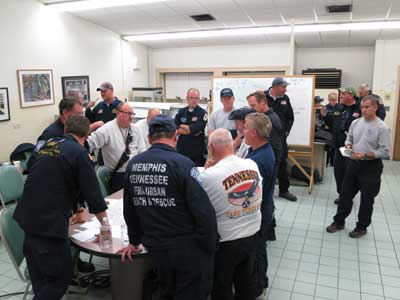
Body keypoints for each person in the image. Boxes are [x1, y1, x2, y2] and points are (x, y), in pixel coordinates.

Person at [119, 115, 218, 300]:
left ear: (149, 139)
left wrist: (133, 241)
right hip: (185, 248)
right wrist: (210, 245)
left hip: (155, 248)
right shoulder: (183, 164)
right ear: (175, 136)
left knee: (166, 291)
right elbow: (203, 211)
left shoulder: (133, 165)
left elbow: (129, 208)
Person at [13, 115, 108, 300]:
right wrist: (106, 227)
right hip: (49, 226)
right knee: (60, 279)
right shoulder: (80, 153)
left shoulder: (46, 145)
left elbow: (46, 176)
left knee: (40, 279)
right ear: (86, 136)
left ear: (65, 130)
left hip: (27, 218)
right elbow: (94, 196)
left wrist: (74, 208)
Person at [201, 128, 262, 300]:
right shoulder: (251, 164)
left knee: (222, 285)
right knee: (246, 282)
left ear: (211, 148)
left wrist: (210, 170)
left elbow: (202, 207)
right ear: (232, 145)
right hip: (252, 232)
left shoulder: (208, 176)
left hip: (226, 240)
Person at [326, 95, 390, 238]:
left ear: (375, 107)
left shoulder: (382, 127)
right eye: (362, 107)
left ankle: (361, 227)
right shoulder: (356, 123)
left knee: (367, 200)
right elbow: (350, 138)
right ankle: (339, 222)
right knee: (345, 195)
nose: (364, 110)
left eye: (367, 107)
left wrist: (366, 154)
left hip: (371, 167)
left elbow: (385, 151)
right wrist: (348, 145)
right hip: (354, 164)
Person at [243, 113, 275, 299]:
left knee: (257, 250)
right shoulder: (260, 150)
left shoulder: (257, 160)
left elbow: (250, 192)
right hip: (265, 208)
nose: (243, 130)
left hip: (260, 213)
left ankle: (259, 285)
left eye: (246, 127)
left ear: (254, 133)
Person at [87, 102, 146, 193]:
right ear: (118, 113)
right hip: (117, 177)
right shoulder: (106, 130)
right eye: (128, 113)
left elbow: (142, 151)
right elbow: (89, 143)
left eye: (132, 114)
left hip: (135, 173)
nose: (131, 117)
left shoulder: (136, 129)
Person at [321, 87, 361, 205]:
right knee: (339, 172)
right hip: (338, 147)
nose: (340, 96)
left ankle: (348, 195)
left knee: (350, 172)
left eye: (343, 94)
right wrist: (325, 116)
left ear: (351, 95)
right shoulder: (339, 108)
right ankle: (342, 194)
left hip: (351, 147)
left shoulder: (359, 108)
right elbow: (332, 123)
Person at [264, 77, 296, 202]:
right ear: (276, 87)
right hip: (264, 138)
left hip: (280, 138)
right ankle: (264, 190)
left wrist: (286, 132)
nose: (285, 90)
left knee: (282, 163)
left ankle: (284, 190)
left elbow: (290, 118)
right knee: (265, 163)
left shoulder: (285, 98)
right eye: (283, 87)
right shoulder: (263, 97)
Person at [37, 97, 103, 148]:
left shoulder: (76, 129)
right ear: (65, 113)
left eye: (82, 113)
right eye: (78, 114)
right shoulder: (50, 134)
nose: (81, 117)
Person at [174, 88, 208, 166]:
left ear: (199, 99)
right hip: (182, 150)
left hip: (197, 152)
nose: (193, 100)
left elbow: (196, 129)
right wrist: (188, 129)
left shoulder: (202, 113)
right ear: (187, 98)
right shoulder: (181, 112)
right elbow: (175, 127)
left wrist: (181, 126)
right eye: (191, 98)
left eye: (196, 98)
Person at [324, 92, 342, 166]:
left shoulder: (340, 107)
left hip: (336, 130)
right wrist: (325, 125)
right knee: (328, 146)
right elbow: (322, 118)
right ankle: (326, 161)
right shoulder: (325, 107)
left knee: (335, 146)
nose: (333, 102)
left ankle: (333, 162)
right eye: (331, 100)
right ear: (328, 99)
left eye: (335, 100)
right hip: (328, 130)